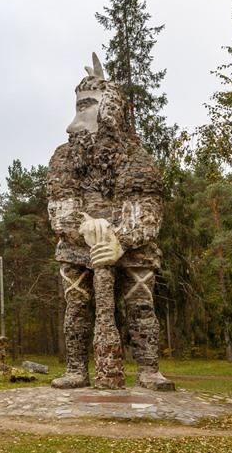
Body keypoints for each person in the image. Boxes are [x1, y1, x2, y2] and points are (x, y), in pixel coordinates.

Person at [47, 53, 174, 391]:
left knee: (141, 302)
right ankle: (77, 368)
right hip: (79, 250)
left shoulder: (138, 159)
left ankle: (148, 369)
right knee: (76, 305)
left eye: (86, 106)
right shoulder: (63, 157)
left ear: (109, 109)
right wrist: (83, 229)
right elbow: (60, 207)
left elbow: (147, 213)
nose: (74, 122)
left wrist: (118, 239)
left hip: (132, 250)